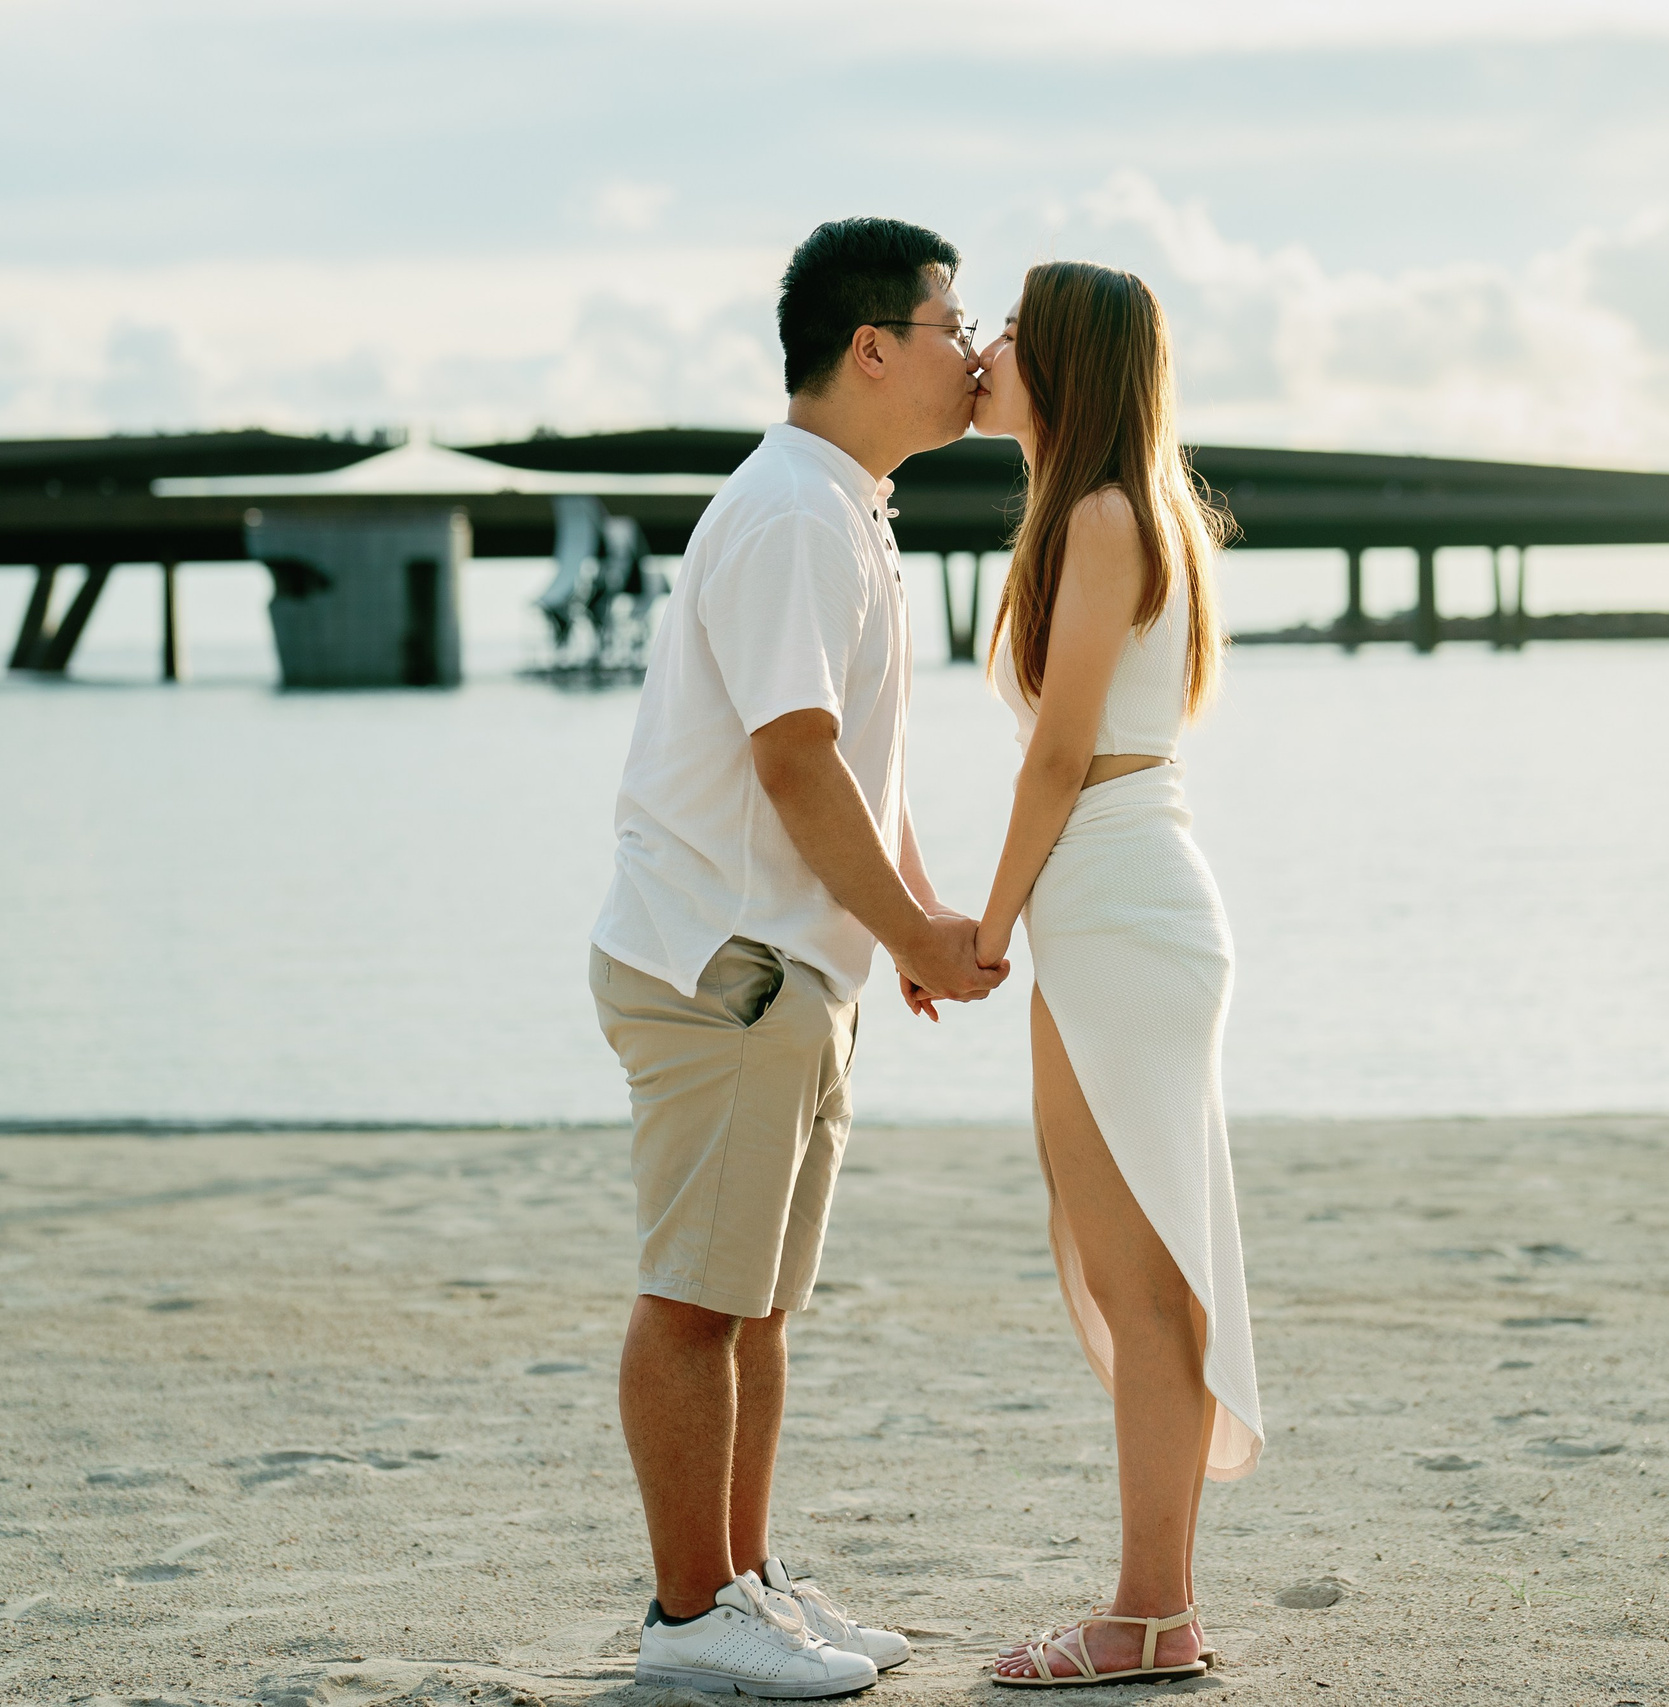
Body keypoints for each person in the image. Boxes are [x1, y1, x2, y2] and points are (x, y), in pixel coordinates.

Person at [588, 216, 1007, 1699]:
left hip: (794, 963)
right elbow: (791, 758)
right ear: (874, 343)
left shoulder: (848, 507)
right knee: (697, 1297)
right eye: (956, 325)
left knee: (758, 1305)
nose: (975, 352)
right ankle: (688, 1617)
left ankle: (745, 1585)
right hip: (728, 965)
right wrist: (911, 931)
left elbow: (857, 767)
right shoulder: (793, 514)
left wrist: (906, 916)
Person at [965, 262, 1265, 1688]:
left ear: (1069, 360)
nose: (986, 347)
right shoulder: (1113, 508)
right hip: (1118, 898)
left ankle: (1151, 1613)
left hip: (1117, 897)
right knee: (1133, 1267)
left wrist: (982, 922)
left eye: (1011, 331)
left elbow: (1058, 754)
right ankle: (1160, 1605)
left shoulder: (1098, 514)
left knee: (1144, 1283)